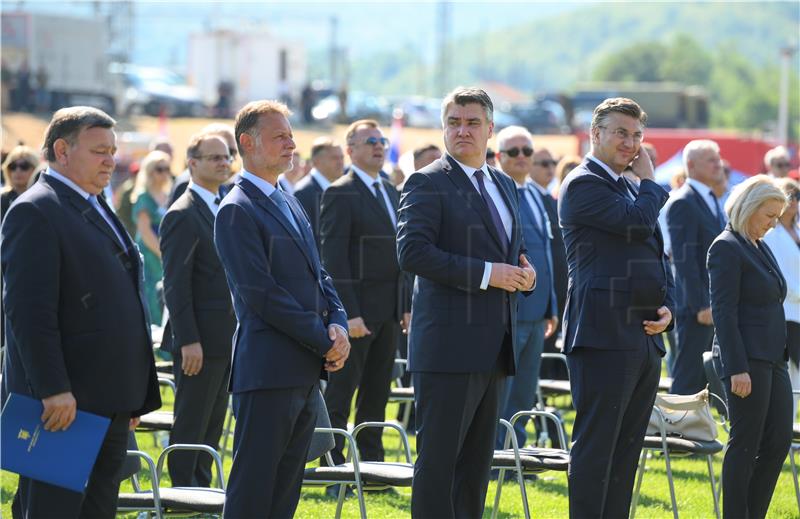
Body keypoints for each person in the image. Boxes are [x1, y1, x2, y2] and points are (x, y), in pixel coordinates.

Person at [1, 106, 160, 518]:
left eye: (112, 150)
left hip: (108, 398)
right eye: (99, 151)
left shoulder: (92, 201)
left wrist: (132, 395)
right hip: (65, 403)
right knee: (53, 509)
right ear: (62, 150)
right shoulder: (35, 210)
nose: (111, 159)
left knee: (98, 508)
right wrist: (53, 388)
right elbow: (28, 312)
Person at [397, 86, 536, 518]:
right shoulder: (427, 181)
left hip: (496, 346)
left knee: (476, 470)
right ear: (443, 128)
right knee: (439, 468)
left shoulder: (503, 184)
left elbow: (516, 250)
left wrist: (526, 276)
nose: (463, 131)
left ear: (490, 129)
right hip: (448, 349)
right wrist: (486, 274)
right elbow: (412, 253)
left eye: (472, 122)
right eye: (454, 122)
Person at [214, 100, 350, 518]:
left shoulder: (288, 201)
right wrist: (321, 338)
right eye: (280, 137)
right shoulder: (237, 209)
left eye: (291, 136)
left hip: (304, 369)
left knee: (286, 491)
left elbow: (318, 274)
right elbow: (261, 294)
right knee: (254, 490)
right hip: (269, 370)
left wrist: (339, 323)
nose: (291, 144)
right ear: (247, 143)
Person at [558, 97, 674, 518]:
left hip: (643, 336)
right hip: (603, 334)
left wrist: (669, 308)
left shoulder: (631, 187)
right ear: (595, 134)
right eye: (621, 133)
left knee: (626, 452)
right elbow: (635, 224)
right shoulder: (584, 182)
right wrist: (651, 184)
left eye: (637, 135)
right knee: (597, 449)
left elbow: (657, 256)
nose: (631, 143)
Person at [319, 120, 407, 484]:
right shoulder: (341, 192)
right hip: (357, 314)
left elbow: (402, 255)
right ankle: (333, 467)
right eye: (369, 141)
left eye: (381, 140)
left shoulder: (390, 190)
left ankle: (372, 467)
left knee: (377, 394)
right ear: (350, 149)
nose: (378, 146)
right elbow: (334, 259)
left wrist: (405, 305)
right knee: (341, 395)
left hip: (388, 312)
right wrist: (348, 313)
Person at [708, 174, 792, 519]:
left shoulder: (759, 244)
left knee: (777, 442)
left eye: (778, 217)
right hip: (746, 360)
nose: (773, 224)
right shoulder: (726, 246)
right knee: (746, 442)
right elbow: (723, 313)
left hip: (774, 359)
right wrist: (736, 367)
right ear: (748, 208)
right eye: (769, 216)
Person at [160, 132, 236, 487]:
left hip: (225, 339)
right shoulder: (183, 214)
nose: (224, 163)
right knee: (191, 421)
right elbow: (176, 284)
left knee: (213, 423)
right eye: (214, 157)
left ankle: (201, 490)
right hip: (199, 342)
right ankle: (180, 496)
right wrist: (188, 339)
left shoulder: (222, 205)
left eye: (227, 156)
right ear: (192, 163)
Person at [495, 126, 558, 451]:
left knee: (524, 389)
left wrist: (552, 306)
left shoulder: (536, 194)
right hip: (508, 309)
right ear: (498, 157)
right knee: (501, 387)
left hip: (536, 312)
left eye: (527, 152)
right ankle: (493, 456)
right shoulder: (495, 192)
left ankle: (514, 456)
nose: (522, 158)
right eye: (513, 152)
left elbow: (547, 253)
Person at [667, 140, 727, 395]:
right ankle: (674, 432)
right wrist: (701, 304)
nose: (719, 164)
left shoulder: (710, 199)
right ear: (691, 165)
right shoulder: (684, 201)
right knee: (689, 377)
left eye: (718, 158)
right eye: (711, 159)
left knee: (706, 378)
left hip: (714, 303)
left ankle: (695, 432)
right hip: (698, 309)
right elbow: (684, 259)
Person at [763, 178, 800, 414]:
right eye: (791, 196)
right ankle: (782, 426)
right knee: (788, 371)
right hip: (786, 310)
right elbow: (778, 274)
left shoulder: (797, 229)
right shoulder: (771, 234)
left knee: (797, 376)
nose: (795, 202)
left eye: (798, 196)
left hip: (799, 312)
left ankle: (791, 428)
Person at [130, 150, 172, 325]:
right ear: (149, 171)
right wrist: (163, 254)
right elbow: (145, 232)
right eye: (159, 168)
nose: (164, 173)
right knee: (152, 292)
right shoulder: (143, 197)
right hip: (150, 253)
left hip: (165, 252)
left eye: (167, 168)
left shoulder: (168, 195)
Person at [169, 123, 238, 207]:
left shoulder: (220, 185)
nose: (226, 161)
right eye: (216, 157)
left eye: (232, 153)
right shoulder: (186, 183)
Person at [293, 137, 345, 245]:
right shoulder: (303, 192)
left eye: (342, 157)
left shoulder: (340, 189)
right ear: (316, 162)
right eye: (334, 158)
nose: (340, 162)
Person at [1, 145, 40, 220]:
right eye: (13, 166)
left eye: (24, 166)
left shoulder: (42, 198)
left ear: (35, 169)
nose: (18, 171)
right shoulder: (2, 198)